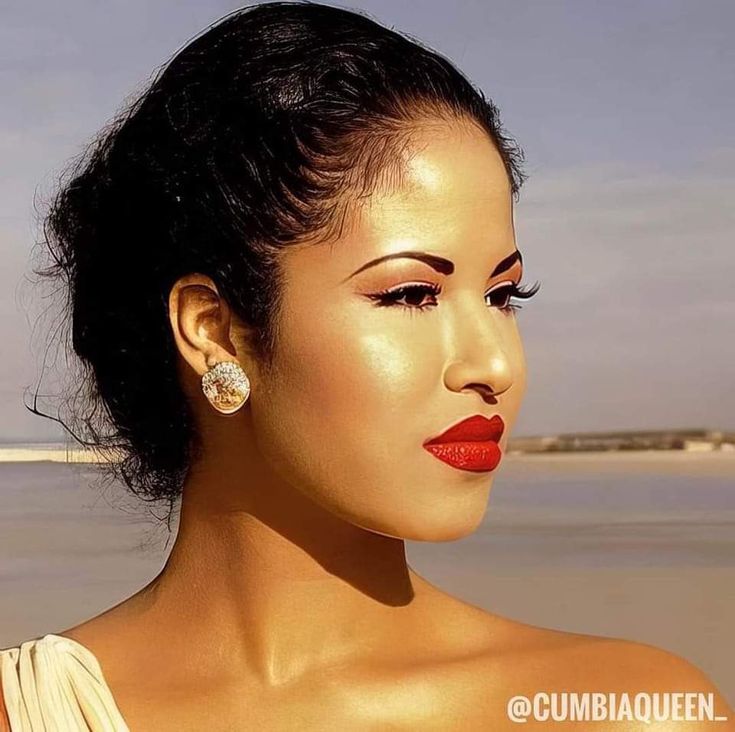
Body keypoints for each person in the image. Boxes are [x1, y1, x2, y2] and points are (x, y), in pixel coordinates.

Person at [2, 2, 732, 729]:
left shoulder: (628, 712)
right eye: (412, 294)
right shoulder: (32, 711)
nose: (493, 364)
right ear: (214, 331)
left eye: (504, 294)